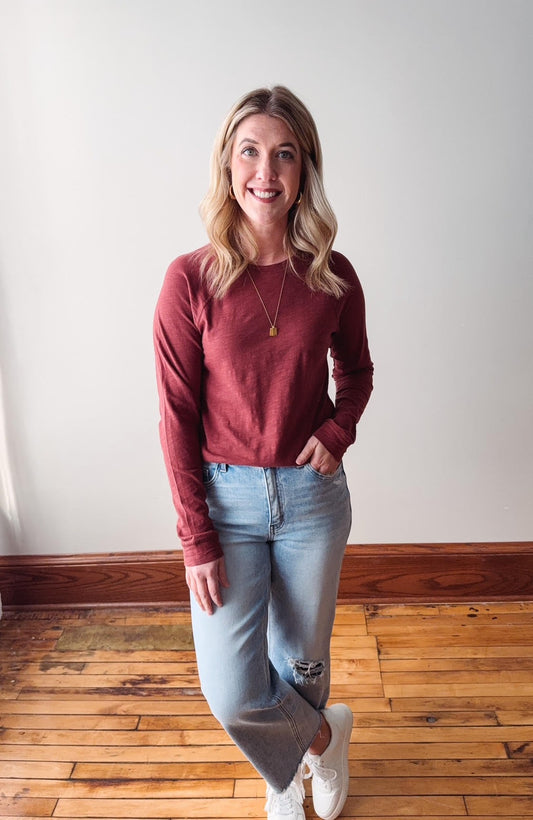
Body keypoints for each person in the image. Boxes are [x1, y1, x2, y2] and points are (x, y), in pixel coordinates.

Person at [154, 85, 373, 820]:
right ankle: (318, 741)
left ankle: (284, 777)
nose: (265, 171)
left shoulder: (330, 273)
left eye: (284, 154)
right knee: (230, 685)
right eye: (249, 151)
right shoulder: (189, 279)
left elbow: (359, 373)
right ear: (227, 163)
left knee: (300, 658)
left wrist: (337, 433)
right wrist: (195, 536)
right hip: (226, 499)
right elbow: (175, 415)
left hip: (311, 499)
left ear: (304, 168)